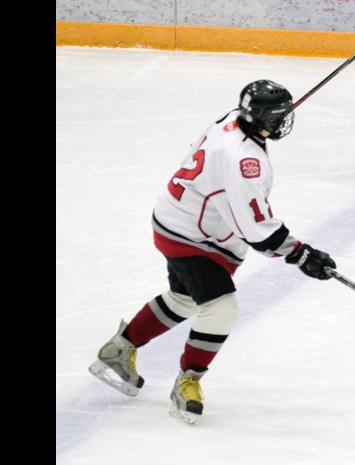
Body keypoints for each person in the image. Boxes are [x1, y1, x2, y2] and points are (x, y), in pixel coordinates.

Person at [88, 80, 337, 425]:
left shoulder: (233, 118)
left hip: (180, 218)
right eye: (280, 116)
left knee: (185, 298)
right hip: (192, 236)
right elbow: (257, 230)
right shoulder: (243, 161)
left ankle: (119, 350)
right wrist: (302, 254)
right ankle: (188, 381)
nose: (284, 122)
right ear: (262, 118)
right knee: (221, 310)